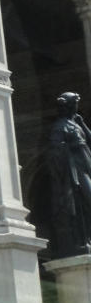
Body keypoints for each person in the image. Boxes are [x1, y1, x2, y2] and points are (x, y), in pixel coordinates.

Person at [48, 91, 91, 256]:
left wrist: (82, 123)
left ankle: (87, 239)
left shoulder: (76, 124)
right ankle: (82, 240)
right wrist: (68, 149)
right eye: (74, 105)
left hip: (86, 167)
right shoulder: (60, 126)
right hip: (76, 171)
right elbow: (55, 150)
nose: (76, 107)